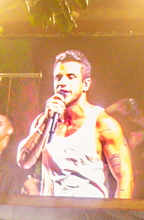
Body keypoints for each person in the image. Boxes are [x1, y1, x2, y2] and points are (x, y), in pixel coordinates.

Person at [17, 49, 134, 199]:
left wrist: (116, 217)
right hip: (50, 216)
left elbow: (125, 179)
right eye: (58, 78)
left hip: (87, 217)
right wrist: (46, 120)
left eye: (71, 77)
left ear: (85, 84)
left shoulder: (102, 124)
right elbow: (23, 162)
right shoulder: (44, 121)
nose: (62, 83)